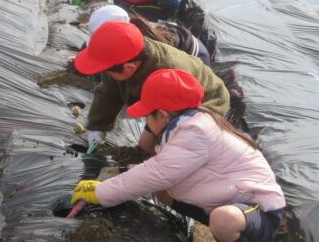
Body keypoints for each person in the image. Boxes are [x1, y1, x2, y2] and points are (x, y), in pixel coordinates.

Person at [71, 69, 285, 242]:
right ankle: (231, 241)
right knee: (165, 194)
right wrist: (119, 177)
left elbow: (157, 172)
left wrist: (100, 193)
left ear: (162, 115)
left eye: (146, 117)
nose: (145, 122)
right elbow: (159, 169)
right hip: (231, 201)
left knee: (223, 219)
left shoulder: (195, 133)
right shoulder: (190, 123)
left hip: (260, 210)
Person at [76, 19, 228, 154]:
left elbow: (167, 117)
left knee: (164, 150)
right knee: (147, 145)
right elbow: (109, 92)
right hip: (166, 108)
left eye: (107, 70)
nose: (105, 74)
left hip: (204, 103)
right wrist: (98, 127)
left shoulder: (167, 73)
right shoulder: (125, 58)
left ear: (129, 68)